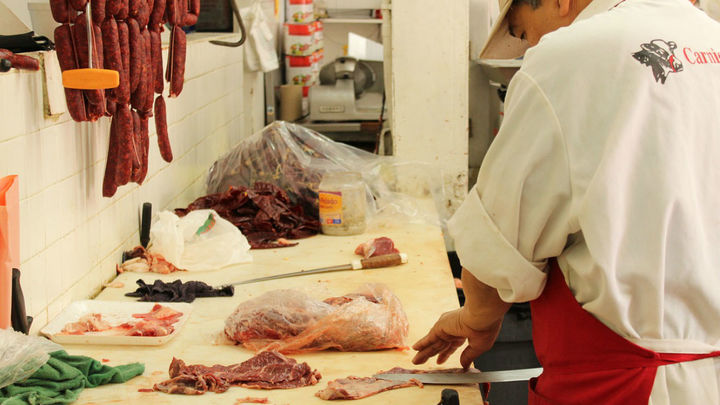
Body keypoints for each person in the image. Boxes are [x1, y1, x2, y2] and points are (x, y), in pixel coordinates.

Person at [411, 0, 720, 403]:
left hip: (628, 385)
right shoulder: (711, 37)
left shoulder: (566, 57)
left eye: (523, 33)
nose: (529, 47)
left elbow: (499, 245)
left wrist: (476, 317)